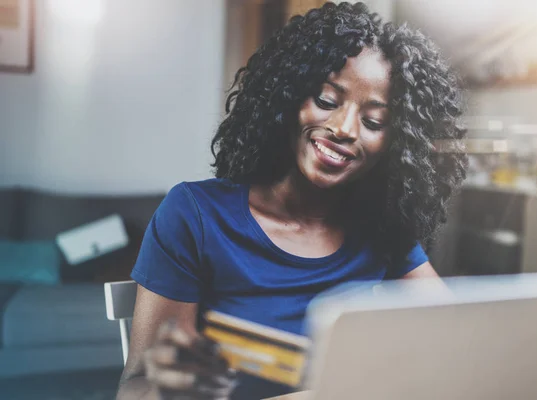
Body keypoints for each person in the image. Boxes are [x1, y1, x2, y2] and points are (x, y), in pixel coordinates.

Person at [116, 2, 467, 399]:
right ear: (287, 97)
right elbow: (138, 385)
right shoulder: (195, 215)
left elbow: (453, 341)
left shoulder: (382, 230)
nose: (343, 129)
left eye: (373, 122)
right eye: (327, 100)